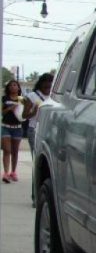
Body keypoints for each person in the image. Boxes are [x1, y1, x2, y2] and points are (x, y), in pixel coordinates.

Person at [25, 73, 54, 205]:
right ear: (40, 83)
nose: (48, 84)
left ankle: (45, 195)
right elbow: (25, 115)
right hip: (34, 130)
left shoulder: (54, 97)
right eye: (46, 82)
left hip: (51, 131)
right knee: (37, 162)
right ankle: (35, 196)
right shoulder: (32, 96)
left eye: (51, 82)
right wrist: (34, 111)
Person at [2, 80, 32, 184]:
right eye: (11, 85)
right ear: (8, 88)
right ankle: (5, 173)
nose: (13, 87)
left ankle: (13, 172)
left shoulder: (22, 99)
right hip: (6, 126)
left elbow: (25, 114)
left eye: (15, 85)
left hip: (18, 128)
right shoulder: (5, 99)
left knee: (15, 152)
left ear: (19, 88)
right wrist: (10, 108)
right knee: (7, 150)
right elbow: (2, 112)